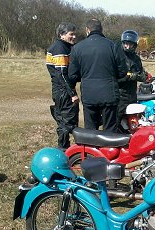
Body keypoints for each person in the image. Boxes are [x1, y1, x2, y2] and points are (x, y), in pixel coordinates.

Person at [68, 18, 128, 131]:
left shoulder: (77, 48)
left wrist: (85, 76)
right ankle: (108, 148)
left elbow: (72, 75)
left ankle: (92, 147)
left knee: (91, 130)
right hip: (109, 93)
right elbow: (122, 72)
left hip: (89, 93)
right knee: (110, 130)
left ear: (87, 30)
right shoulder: (113, 46)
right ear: (101, 29)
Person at [46, 22, 79, 150]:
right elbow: (62, 75)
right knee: (67, 123)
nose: (74, 37)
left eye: (74, 34)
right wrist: (72, 94)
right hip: (63, 92)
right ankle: (64, 151)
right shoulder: (60, 49)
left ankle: (65, 149)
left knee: (64, 121)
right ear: (62, 35)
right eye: (71, 34)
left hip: (60, 90)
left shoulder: (63, 46)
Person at [116, 30, 147, 132]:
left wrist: (139, 76)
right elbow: (114, 78)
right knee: (117, 120)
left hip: (132, 94)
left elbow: (142, 76)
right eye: (125, 44)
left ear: (135, 45)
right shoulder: (118, 57)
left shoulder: (137, 59)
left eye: (130, 44)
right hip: (120, 95)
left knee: (133, 121)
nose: (127, 47)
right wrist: (127, 77)